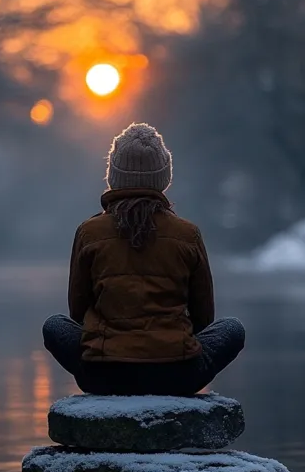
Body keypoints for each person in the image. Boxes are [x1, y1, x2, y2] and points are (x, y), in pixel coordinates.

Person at [43, 122, 245, 396]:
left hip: (103, 376)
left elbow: (77, 313)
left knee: (54, 325)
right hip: (177, 377)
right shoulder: (188, 234)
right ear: (164, 178)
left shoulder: (89, 232)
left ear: (114, 176)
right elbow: (204, 318)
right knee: (232, 328)